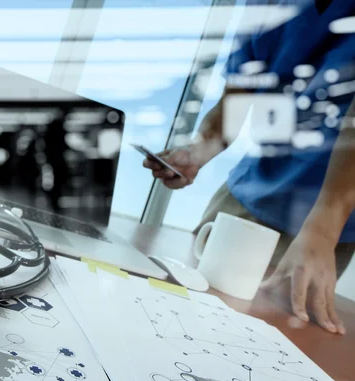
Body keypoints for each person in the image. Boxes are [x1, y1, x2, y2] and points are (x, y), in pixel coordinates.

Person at [143, 0, 355, 334]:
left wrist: (324, 227)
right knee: (174, 322)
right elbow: (236, 97)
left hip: (325, 224)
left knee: (274, 342)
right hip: (244, 199)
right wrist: (200, 149)